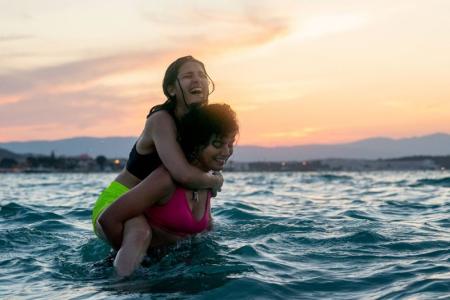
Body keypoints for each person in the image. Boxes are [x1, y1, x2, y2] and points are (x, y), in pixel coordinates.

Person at [91, 56, 223, 273]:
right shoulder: (161, 120)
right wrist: (216, 180)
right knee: (139, 232)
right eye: (188, 76)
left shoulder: (199, 126)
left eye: (202, 76)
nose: (197, 81)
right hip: (120, 201)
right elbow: (184, 175)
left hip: (153, 204)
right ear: (171, 89)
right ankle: (121, 286)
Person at [98, 103, 238, 276]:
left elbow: (204, 234)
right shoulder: (165, 180)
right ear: (196, 144)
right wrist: (129, 254)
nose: (226, 152)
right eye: (217, 144)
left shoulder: (207, 182)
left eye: (230, 144)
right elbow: (108, 219)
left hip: (171, 273)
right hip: (136, 276)